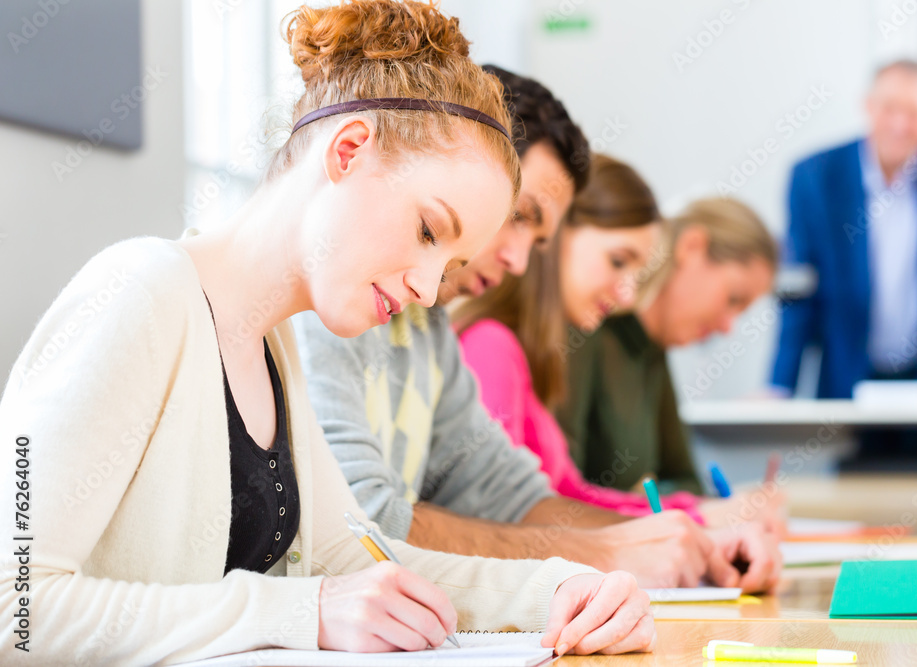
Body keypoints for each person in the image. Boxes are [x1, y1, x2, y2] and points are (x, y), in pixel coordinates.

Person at [0, 4, 656, 665]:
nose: (430, 291)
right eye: (428, 230)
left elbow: (356, 558)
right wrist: (299, 610)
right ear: (349, 151)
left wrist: (559, 588)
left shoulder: (275, 345)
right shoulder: (139, 294)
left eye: (451, 266)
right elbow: (13, 607)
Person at [296, 72, 781, 593]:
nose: (520, 261)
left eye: (538, 236)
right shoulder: (333, 301)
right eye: (518, 215)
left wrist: (686, 543)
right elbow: (360, 527)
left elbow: (508, 496)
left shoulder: (426, 322)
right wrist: (602, 553)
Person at [770, 60, 917, 462]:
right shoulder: (816, 176)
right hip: (848, 378)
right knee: (854, 488)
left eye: (915, 113)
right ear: (868, 106)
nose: (900, 125)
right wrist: (778, 387)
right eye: (890, 108)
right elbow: (800, 289)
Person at [553, 196, 782, 531]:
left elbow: (687, 481)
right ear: (692, 246)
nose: (727, 327)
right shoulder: (586, 328)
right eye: (733, 299)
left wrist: (720, 508)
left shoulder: (652, 349)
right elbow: (558, 496)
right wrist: (670, 507)